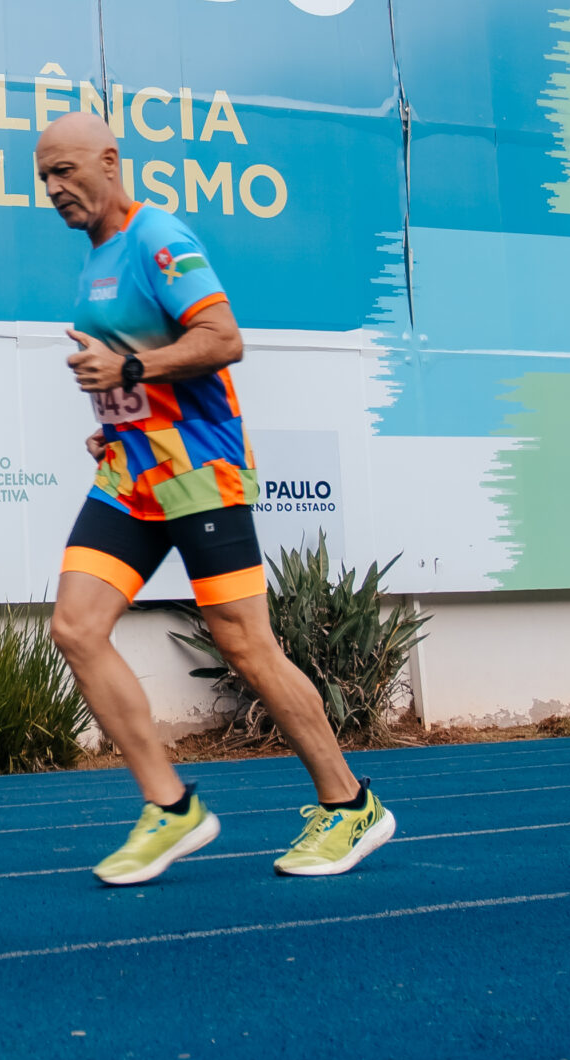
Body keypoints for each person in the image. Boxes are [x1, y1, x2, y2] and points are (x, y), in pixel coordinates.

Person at [35, 112, 395, 885]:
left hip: (201, 472)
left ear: (108, 160)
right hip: (132, 475)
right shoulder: (96, 257)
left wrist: (129, 375)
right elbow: (136, 365)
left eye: (65, 171)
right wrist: (114, 421)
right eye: (45, 178)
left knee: (244, 644)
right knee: (75, 627)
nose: (54, 189)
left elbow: (223, 338)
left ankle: (350, 802)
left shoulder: (156, 235)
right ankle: (170, 808)